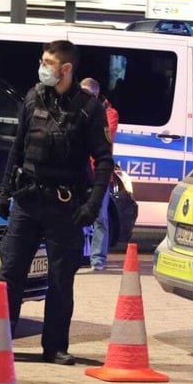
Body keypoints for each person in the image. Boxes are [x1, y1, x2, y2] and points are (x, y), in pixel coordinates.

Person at [0, 40, 114, 365]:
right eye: (42, 60)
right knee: (10, 275)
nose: (42, 66)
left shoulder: (90, 108)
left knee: (62, 278)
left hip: (66, 204)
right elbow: (17, 147)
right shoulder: (33, 97)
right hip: (27, 200)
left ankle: (55, 346)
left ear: (66, 69)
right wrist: (5, 190)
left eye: (48, 62)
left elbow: (104, 160)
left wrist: (92, 204)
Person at [79, 77, 119, 272]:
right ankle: (75, 256)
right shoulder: (75, 109)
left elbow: (104, 136)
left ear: (95, 94)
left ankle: (97, 261)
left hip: (100, 174)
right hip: (79, 170)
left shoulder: (110, 113)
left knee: (100, 218)